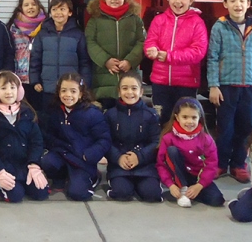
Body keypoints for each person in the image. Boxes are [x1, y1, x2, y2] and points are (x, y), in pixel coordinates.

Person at [207, 0, 252, 183]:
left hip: (251, 88)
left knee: (247, 127)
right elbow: (213, 57)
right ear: (225, 3)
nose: (237, 4)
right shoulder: (220, 26)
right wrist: (213, 85)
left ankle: (239, 164)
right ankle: (220, 163)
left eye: (241, 0)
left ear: (248, 3)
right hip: (226, 87)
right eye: (233, 0)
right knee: (225, 127)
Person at [143, 0, 208, 125]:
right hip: (160, 82)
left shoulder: (197, 23)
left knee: (184, 120)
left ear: (191, 0)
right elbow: (150, 41)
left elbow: (198, 52)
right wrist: (151, 50)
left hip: (187, 83)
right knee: (161, 120)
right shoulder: (159, 20)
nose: (178, 2)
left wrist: (169, 56)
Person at [40, 72, 111, 201]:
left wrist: (90, 154)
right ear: (58, 92)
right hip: (62, 154)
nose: (68, 95)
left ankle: (93, 176)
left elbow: (104, 139)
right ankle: (62, 176)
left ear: (81, 93)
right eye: (64, 91)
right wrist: (55, 148)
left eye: (73, 91)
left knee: (78, 194)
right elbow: (49, 135)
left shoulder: (92, 113)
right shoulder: (54, 111)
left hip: (82, 159)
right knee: (46, 162)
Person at [0, 71, 49, 203]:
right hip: (4, 167)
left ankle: (27, 179)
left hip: (24, 165)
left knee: (41, 193)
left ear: (19, 91)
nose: (8, 92)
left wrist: (34, 164)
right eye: (3, 88)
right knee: (16, 196)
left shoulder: (27, 113)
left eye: (12, 88)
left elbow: (36, 142)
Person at [85, 0, 145, 110]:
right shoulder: (95, 20)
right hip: (103, 82)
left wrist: (130, 61)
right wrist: (106, 61)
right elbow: (90, 42)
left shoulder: (135, 19)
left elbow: (142, 42)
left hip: (129, 80)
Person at [103, 72, 162, 202]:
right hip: (119, 166)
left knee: (152, 195)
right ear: (119, 91)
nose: (129, 92)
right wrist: (118, 157)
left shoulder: (150, 115)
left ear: (141, 91)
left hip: (145, 166)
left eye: (134, 88)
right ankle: (121, 184)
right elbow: (105, 141)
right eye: (125, 88)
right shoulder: (110, 115)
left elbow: (156, 142)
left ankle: (145, 185)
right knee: (122, 193)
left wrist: (139, 157)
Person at [157, 97, 225, 208]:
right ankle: (182, 190)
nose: (190, 121)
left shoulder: (206, 139)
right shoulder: (168, 138)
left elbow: (211, 164)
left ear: (200, 118)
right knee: (172, 151)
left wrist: (199, 185)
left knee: (217, 200)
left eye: (194, 117)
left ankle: (190, 192)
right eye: (185, 117)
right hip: (178, 176)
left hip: (197, 177)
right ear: (177, 117)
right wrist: (170, 185)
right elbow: (161, 164)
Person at [29, 0, 93, 113]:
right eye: (54, 9)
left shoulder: (78, 34)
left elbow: (84, 62)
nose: (58, 13)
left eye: (62, 9)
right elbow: (35, 59)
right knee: (48, 121)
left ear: (69, 12)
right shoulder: (42, 34)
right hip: (47, 88)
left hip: (70, 91)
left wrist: (84, 84)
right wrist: (35, 80)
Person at [7, 0, 47, 108]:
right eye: (26, 5)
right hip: (18, 79)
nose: (30, 7)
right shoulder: (12, 28)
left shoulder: (46, 26)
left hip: (40, 80)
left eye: (33, 4)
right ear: (21, 8)